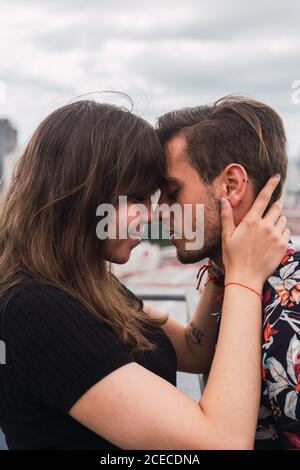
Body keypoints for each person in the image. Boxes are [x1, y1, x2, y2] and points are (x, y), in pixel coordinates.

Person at [0, 100, 288, 450]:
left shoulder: (90, 286)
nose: (152, 215)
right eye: (137, 197)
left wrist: (223, 259)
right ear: (84, 196)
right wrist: (244, 277)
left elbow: (193, 349)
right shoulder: (37, 308)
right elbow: (221, 443)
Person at [156, 96, 300, 449]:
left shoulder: (291, 312)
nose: (160, 211)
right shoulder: (230, 275)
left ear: (232, 186)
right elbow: (194, 348)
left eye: (172, 192)